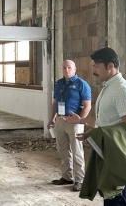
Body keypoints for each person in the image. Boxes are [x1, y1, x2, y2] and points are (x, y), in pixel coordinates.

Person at [64, 47, 126, 206]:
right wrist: (81, 121)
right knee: (110, 198)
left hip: (120, 154)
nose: (93, 70)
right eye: (93, 66)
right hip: (111, 151)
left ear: (110, 66)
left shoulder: (122, 90)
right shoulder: (109, 87)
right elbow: (104, 120)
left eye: (96, 66)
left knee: (116, 201)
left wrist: (99, 134)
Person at [47, 60, 91, 192]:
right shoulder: (59, 83)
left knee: (77, 151)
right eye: (64, 68)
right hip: (60, 120)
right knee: (63, 149)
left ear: (75, 69)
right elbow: (55, 103)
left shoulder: (82, 84)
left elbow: (87, 105)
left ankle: (80, 180)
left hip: (74, 122)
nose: (67, 70)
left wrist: (80, 120)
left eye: (69, 68)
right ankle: (67, 176)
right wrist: (52, 119)